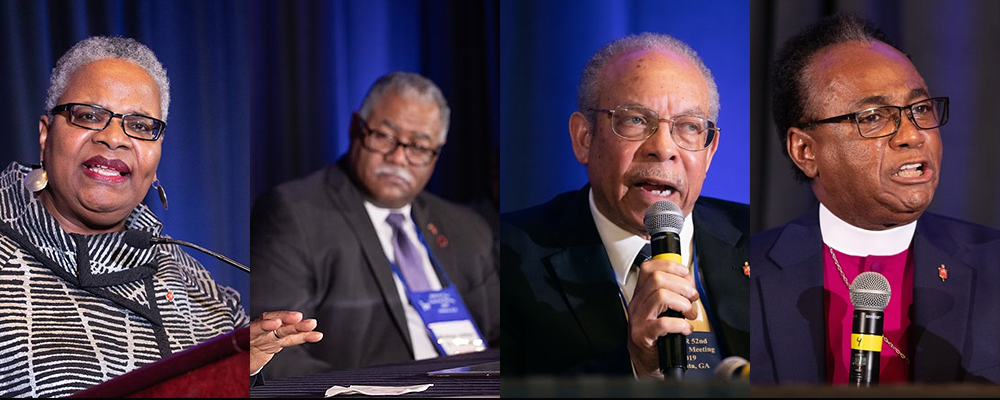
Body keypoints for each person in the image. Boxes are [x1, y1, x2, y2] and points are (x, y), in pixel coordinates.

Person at [0, 35, 319, 397]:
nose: (113, 138)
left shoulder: (197, 285)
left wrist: (237, 373)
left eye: (139, 126)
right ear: (45, 135)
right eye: (89, 116)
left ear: (156, 161)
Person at [750, 13, 1000, 385]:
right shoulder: (747, 273)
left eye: (920, 109)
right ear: (805, 150)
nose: (912, 136)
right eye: (874, 117)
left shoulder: (993, 264)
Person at [500, 32, 750, 380]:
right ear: (584, 138)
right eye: (635, 120)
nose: (663, 148)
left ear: (709, 152)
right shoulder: (508, 256)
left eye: (689, 127)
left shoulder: (761, 238)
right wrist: (637, 368)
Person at [249, 71, 500, 380]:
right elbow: (275, 352)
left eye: (418, 147)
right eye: (384, 136)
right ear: (356, 128)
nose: (398, 157)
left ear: (437, 153)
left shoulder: (468, 227)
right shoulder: (292, 213)